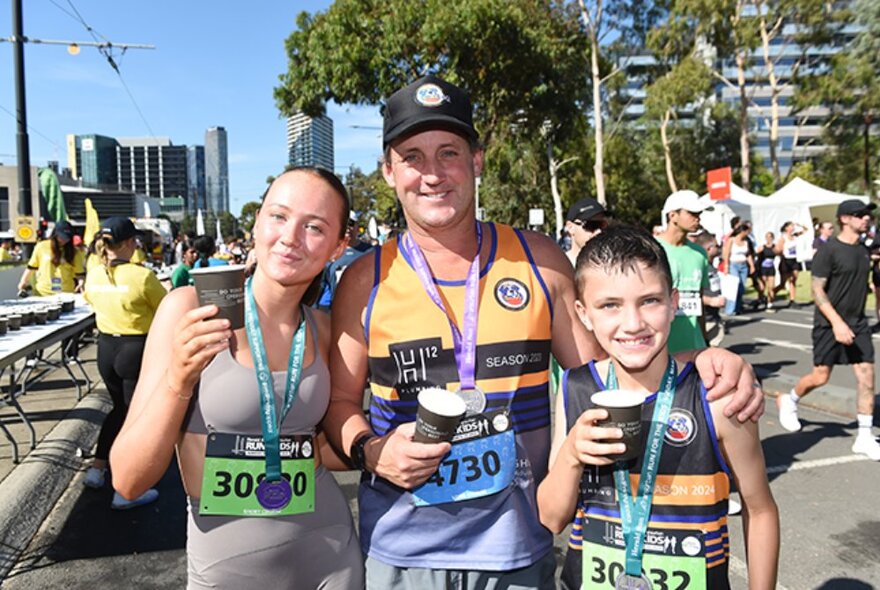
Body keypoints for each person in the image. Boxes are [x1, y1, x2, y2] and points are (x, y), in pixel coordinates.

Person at [323, 75, 763, 589]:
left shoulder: (540, 260)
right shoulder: (362, 280)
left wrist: (702, 363)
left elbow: (612, 367)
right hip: (403, 553)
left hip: (518, 550)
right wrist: (371, 452)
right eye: (412, 157)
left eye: (449, 153)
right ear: (389, 171)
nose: (432, 174)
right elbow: (338, 404)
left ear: (477, 161)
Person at [109, 168, 364, 589]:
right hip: (226, 567)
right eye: (278, 216)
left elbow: (324, 446)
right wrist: (178, 379)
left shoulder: (324, 328)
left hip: (329, 554)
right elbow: (128, 479)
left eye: (314, 227)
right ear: (257, 223)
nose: (290, 237)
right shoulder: (188, 310)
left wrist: (379, 449)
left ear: (338, 246)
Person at [537, 225, 779, 590]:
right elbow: (552, 519)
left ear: (674, 302)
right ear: (584, 314)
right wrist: (572, 454)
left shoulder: (718, 394)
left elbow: (759, 509)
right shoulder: (575, 387)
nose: (633, 324)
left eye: (649, 300)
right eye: (610, 305)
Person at [778, 200, 880, 460]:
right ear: (844, 219)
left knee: (867, 376)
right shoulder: (828, 251)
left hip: (857, 323)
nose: (866, 218)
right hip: (828, 323)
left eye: (867, 214)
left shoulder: (863, 250)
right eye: (860, 215)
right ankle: (789, 400)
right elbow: (817, 289)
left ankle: (865, 437)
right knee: (820, 376)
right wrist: (836, 322)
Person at [81, 217, 166, 508]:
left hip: (106, 348)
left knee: (119, 410)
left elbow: (90, 300)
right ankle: (126, 489)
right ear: (130, 243)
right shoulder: (141, 276)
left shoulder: (94, 274)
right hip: (135, 349)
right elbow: (166, 307)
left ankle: (97, 469)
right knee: (135, 418)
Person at [655, 190, 712, 352]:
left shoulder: (700, 253)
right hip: (660, 348)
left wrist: (704, 337)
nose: (697, 218)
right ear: (673, 215)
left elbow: (698, 298)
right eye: (692, 213)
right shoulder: (651, 249)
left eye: (699, 214)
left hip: (695, 345)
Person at [316, 214, 373, 311]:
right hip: (336, 312)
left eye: (351, 224)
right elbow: (325, 287)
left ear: (357, 226)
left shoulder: (372, 252)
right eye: (344, 225)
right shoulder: (330, 252)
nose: (347, 228)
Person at [17, 220, 85, 296]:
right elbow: (31, 267)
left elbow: (79, 273)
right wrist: (23, 281)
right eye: (62, 236)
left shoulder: (75, 252)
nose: (65, 240)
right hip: (43, 293)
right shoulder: (41, 246)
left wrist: (81, 283)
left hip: (66, 293)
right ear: (55, 234)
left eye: (68, 237)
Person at [721, 221, 755, 316]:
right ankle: (729, 309)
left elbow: (748, 255)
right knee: (734, 287)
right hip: (733, 264)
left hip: (743, 265)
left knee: (741, 288)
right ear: (743, 231)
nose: (748, 234)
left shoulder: (746, 242)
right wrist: (726, 266)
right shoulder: (732, 240)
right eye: (747, 231)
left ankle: (738, 307)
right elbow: (727, 253)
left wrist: (751, 265)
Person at [562, 197, 608, 267]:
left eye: (602, 225)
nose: (599, 231)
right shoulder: (560, 266)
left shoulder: (612, 266)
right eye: (591, 225)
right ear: (570, 227)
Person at [775, 221, 804, 306]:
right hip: (786, 260)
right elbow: (778, 249)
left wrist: (799, 224)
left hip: (794, 260)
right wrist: (781, 254)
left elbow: (805, 230)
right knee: (783, 284)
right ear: (786, 228)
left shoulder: (795, 236)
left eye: (793, 226)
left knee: (794, 280)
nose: (793, 227)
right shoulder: (783, 238)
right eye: (791, 226)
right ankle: (772, 293)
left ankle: (792, 300)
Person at [756, 231, 778, 312]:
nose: (769, 239)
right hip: (763, 268)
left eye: (770, 237)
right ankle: (760, 299)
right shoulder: (762, 247)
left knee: (771, 287)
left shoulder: (775, 247)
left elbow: (780, 253)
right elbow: (756, 254)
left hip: (771, 268)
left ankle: (770, 303)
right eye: (767, 237)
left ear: (772, 238)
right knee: (762, 287)